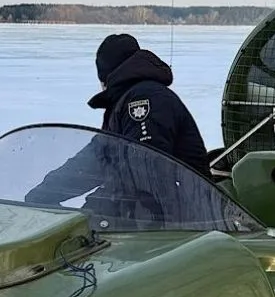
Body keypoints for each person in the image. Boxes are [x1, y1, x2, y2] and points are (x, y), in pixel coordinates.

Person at [24, 34, 210, 212]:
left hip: (185, 222)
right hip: (161, 217)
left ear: (107, 76)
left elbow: (148, 181)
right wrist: (43, 195)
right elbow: (95, 160)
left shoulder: (145, 101)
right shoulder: (126, 101)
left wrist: (93, 211)